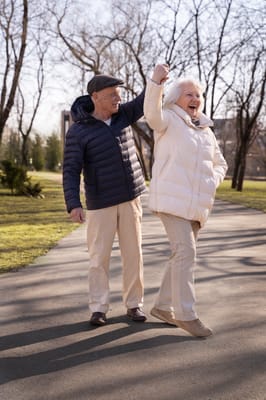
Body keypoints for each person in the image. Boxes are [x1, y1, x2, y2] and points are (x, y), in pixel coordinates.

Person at [144, 64, 227, 337]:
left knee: (180, 254)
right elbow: (151, 114)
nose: (195, 99)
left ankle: (162, 306)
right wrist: (156, 82)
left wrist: (212, 180)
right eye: (189, 94)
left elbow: (221, 163)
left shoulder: (205, 129)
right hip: (171, 201)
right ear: (176, 98)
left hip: (197, 206)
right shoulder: (167, 119)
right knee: (186, 253)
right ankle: (186, 315)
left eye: (198, 95)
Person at [63, 74, 147, 326]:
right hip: (101, 203)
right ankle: (99, 307)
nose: (118, 98)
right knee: (99, 258)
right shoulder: (78, 130)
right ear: (95, 96)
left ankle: (134, 304)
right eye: (112, 94)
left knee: (134, 254)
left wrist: (156, 81)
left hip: (130, 198)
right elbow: (70, 169)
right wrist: (73, 202)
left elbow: (146, 100)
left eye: (118, 94)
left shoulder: (123, 115)